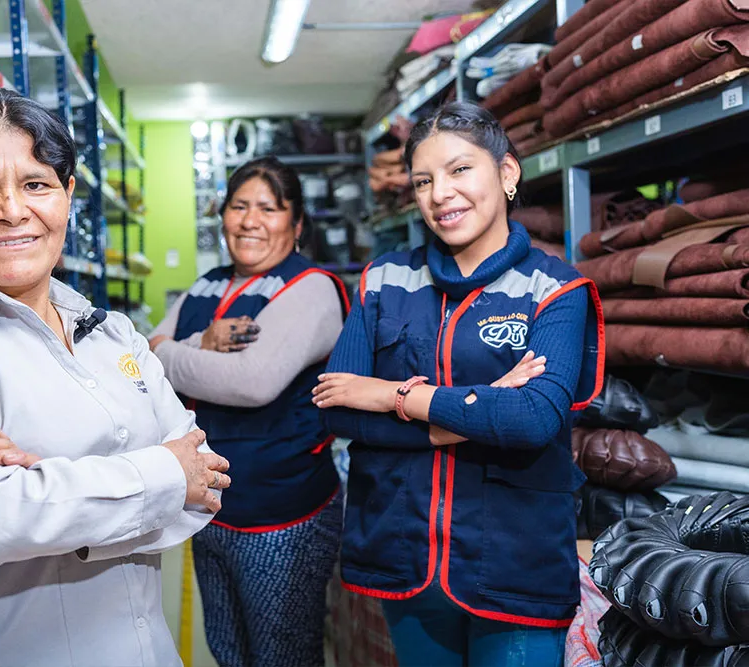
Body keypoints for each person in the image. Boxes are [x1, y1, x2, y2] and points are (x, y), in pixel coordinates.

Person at [0, 86, 230, 667]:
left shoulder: (112, 334)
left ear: (68, 195)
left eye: (36, 184)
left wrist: (51, 487)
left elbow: (201, 490)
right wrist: (157, 477)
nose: (11, 210)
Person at [313, 102, 604, 667]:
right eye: (423, 180)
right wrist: (451, 425)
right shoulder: (385, 278)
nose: (440, 193)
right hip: (406, 551)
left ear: (508, 173)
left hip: (514, 562)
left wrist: (392, 395)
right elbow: (335, 408)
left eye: (460, 169)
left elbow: (534, 420)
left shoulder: (555, 288)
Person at [145, 156, 350, 667]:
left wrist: (169, 353)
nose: (250, 220)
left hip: (282, 513)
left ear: (296, 223)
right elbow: (140, 363)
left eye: (268, 208)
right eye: (239, 206)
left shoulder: (311, 287)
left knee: (281, 654)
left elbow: (253, 382)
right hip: (208, 508)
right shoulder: (209, 283)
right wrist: (201, 343)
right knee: (228, 648)